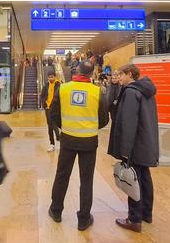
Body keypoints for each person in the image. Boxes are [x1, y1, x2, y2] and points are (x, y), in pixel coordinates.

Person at [48, 60, 109, 231]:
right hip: (89, 142)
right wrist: (89, 127)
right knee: (86, 180)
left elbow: (53, 113)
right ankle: (83, 219)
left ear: (77, 71)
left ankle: (56, 211)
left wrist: (66, 126)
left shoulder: (64, 88)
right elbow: (104, 119)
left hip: (68, 139)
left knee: (62, 175)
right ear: (91, 74)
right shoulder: (98, 91)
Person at [109, 64, 159, 233]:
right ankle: (147, 213)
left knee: (133, 180)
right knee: (144, 177)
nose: (119, 78)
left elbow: (128, 122)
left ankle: (134, 219)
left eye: (121, 75)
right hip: (146, 140)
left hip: (135, 144)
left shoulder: (131, 92)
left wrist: (125, 149)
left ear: (129, 74)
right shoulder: (147, 91)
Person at [39, 71, 61, 152]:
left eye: (52, 76)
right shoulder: (46, 85)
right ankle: (52, 144)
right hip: (48, 108)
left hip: (55, 108)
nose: (51, 78)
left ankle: (59, 139)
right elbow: (42, 95)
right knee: (50, 127)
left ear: (55, 76)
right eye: (49, 77)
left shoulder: (58, 85)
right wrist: (44, 104)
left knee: (55, 125)